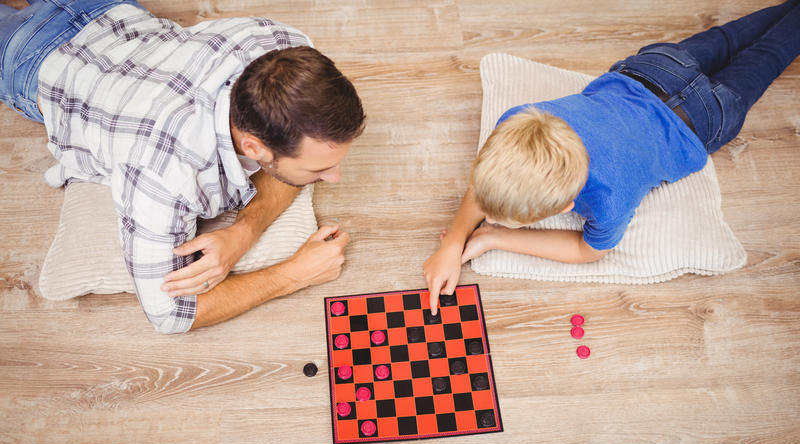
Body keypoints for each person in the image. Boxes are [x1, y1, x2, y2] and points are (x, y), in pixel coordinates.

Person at [1, 0, 366, 333]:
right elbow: (170, 314)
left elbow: (285, 167)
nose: (333, 178)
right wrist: (293, 275)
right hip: (31, 57)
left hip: (111, 14)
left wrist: (242, 235)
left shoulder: (286, 45)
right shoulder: (163, 172)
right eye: (317, 170)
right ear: (255, 147)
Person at [424, 0, 800, 314]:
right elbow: (484, 182)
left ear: (567, 206)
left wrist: (496, 238)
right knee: (735, 37)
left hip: (706, 117)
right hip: (656, 69)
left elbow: (587, 252)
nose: (484, 216)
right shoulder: (517, 121)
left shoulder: (608, 201)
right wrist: (452, 242)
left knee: (769, 52)